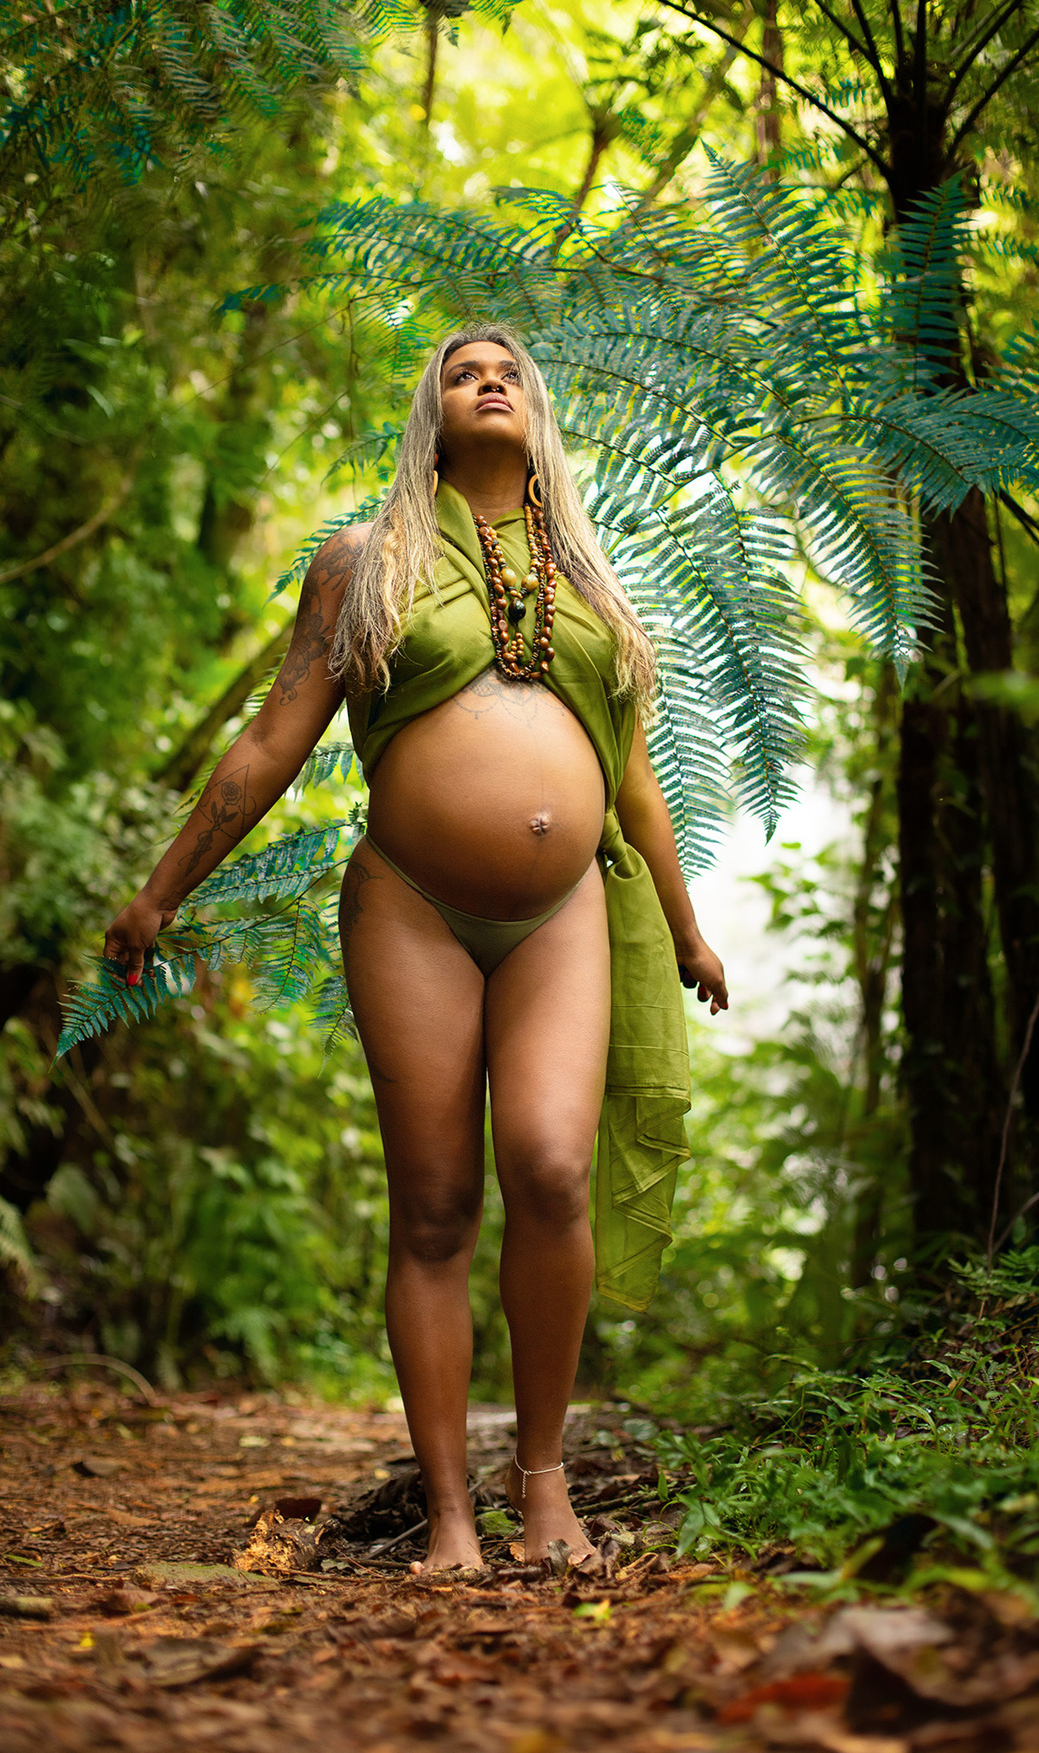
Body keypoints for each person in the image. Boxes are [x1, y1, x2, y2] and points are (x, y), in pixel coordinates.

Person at [104, 324, 728, 1573]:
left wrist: (686, 921)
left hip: (566, 917)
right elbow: (275, 740)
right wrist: (161, 892)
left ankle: (545, 1488)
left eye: (508, 371)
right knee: (437, 1207)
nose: (487, 379)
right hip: (412, 905)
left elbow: (637, 778)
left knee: (550, 1168)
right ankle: (450, 1516)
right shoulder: (364, 561)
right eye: (460, 371)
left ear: (537, 413)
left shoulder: (592, 582)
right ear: (430, 415)